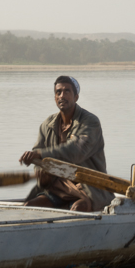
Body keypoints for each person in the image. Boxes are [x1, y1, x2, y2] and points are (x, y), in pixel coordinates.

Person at [19, 76, 114, 212]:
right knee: (30, 207)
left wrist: (40, 154)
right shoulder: (47, 125)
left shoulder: (90, 122)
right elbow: (38, 159)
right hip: (58, 187)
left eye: (67, 91)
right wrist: (41, 173)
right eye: (58, 92)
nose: (62, 96)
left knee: (77, 209)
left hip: (89, 187)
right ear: (55, 98)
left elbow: (76, 151)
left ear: (76, 97)